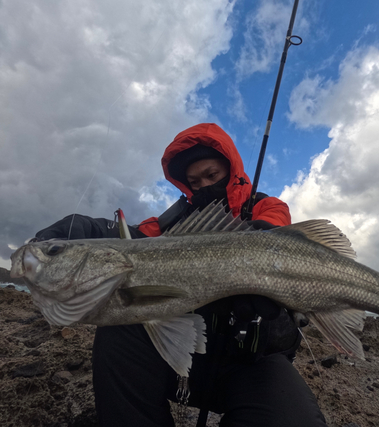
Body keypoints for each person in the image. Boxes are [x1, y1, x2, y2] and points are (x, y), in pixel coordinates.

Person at [35, 123, 327, 427]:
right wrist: (85, 230)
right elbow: (134, 238)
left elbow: (274, 227)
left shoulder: (266, 206)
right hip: (183, 361)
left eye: (212, 175)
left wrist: (263, 248)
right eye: (194, 180)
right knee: (119, 330)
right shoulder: (172, 223)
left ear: (231, 168)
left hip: (252, 363)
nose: (203, 185)